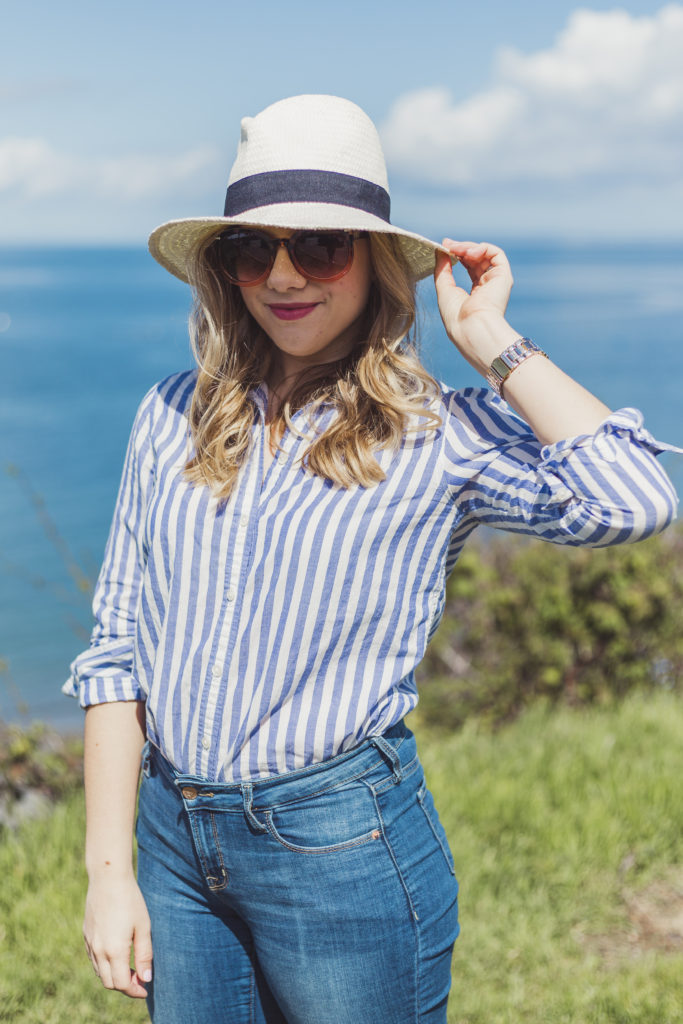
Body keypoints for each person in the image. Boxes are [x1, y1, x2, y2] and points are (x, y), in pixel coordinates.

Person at [64, 94, 681, 1024]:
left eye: (318, 245)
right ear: (221, 269)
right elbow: (118, 651)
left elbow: (633, 500)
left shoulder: (438, 434)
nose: (281, 275)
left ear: (376, 264)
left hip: (340, 845)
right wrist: (108, 875)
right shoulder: (170, 413)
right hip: (172, 839)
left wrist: (490, 343)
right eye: (250, 249)